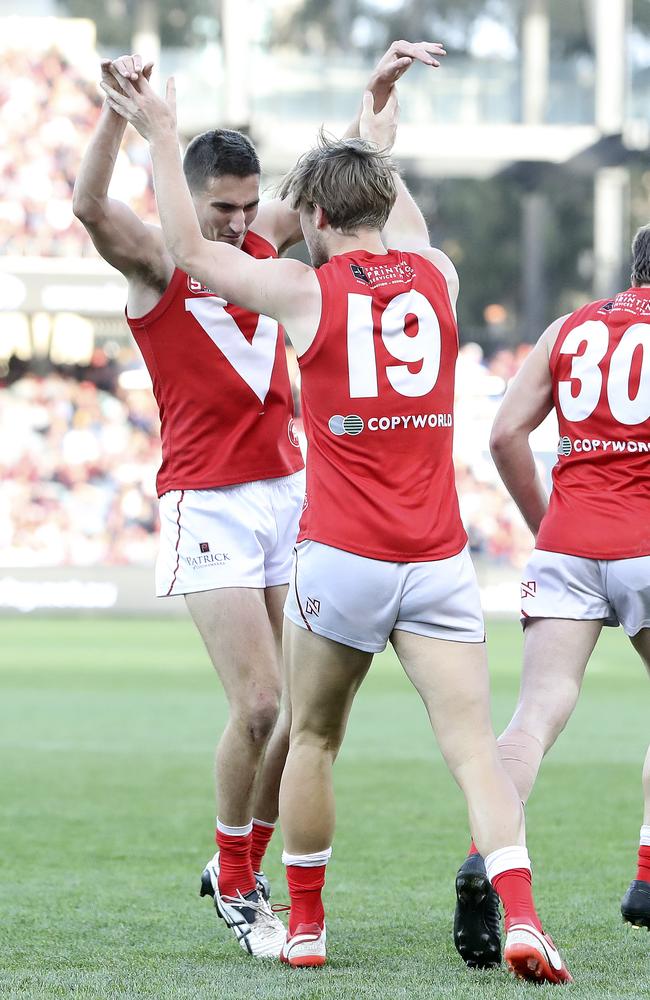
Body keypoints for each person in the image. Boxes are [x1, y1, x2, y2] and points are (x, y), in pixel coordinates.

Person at [100, 59, 571, 985]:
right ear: (388, 202)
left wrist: (161, 129)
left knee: (311, 738)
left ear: (312, 220)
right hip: (439, 556)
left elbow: (192, 254)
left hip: (343, 557)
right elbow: (386, 198)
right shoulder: (437, 274)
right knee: (476, 752)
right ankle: (522, 915)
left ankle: (306, 925)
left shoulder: (308, 295)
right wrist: (376, 121)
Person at [73, 42, 445, 959]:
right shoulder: (161, 263)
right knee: (259, 706)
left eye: (250, 207)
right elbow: (88, 205)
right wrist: (123, 115)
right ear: (188, 199)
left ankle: (237, 857)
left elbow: (345, 185)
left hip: (290, 494)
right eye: (222, 210)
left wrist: (373, 100)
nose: (242, 225)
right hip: (208, 501)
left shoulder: (263, 243)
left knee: (302, 713)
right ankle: (239, 880)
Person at [453, 226, 650, 968]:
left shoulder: (570, 328)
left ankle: (485, 853)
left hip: (569, 542)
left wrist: (551, 526)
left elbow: (506, 435)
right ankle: (647, 878)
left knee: (535, 716)